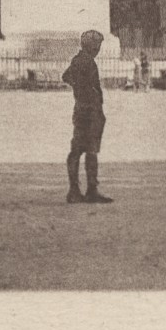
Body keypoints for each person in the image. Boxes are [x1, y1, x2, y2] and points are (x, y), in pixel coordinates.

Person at [62, 30, 112, 203]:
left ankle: (75, 190)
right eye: (97, 45)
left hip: (82, 109)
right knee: (90, 150)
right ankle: (89, 190)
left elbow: (66, 76)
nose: (98, 49)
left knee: (77, 150)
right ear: (91, 46)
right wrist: (87, 93)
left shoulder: (78, 60)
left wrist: (79, 90)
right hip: (90, 112)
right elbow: (87, 84)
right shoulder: (87, 62)